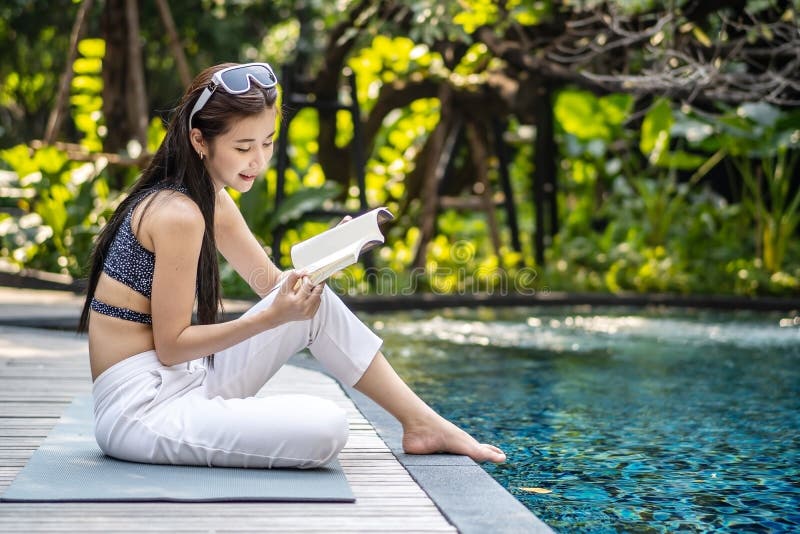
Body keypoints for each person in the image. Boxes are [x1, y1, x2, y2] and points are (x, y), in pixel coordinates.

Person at [78, 62, 505, 469]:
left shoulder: (212, 199)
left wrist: (330, 254)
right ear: (199, 140)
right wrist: (273, 318)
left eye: (267, 142)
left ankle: (421, 423)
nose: (258, 161)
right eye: (243, 147)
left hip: (187, 381)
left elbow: (272, 287)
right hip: (142, 409)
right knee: (328, 427)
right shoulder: (177, 214)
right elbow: (171, 347)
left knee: (314, 303)